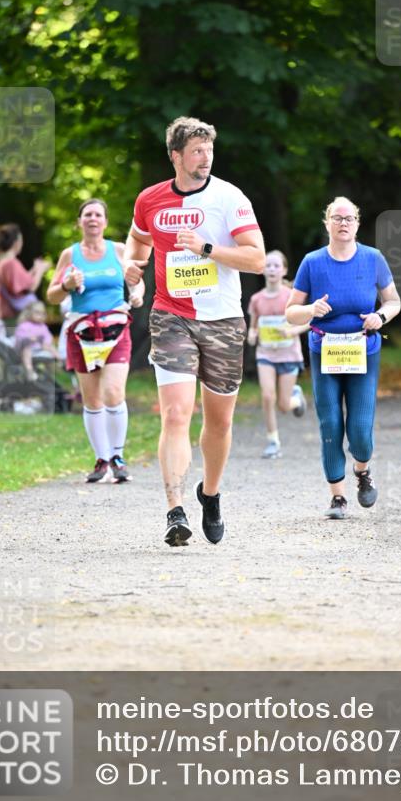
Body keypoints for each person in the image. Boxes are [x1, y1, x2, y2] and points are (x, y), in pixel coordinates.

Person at [124, 116, 265, 546]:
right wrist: (132, 266)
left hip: (223, 320)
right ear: (176, 156)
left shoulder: (229, 197)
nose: (205, 158)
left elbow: (256, 258)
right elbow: (138, 240)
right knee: (175, 414)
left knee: (219, 422)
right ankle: (175, 510)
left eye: (209, 150)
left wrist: (207, 248)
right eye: (197, 151)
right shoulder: (150, 199)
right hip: (171, 316)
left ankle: (211, 493)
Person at [285, 197, 400, 519]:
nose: (343, 223)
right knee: (330, 423)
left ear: (357, 224)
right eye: (337, 218)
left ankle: (362, 471)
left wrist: (380, 316)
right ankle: (338, 498)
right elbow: (291, 312)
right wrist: (311, 309)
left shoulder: (373, 258)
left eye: (349, 218)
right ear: (327, 223)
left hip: (363, 350)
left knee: (360, 427)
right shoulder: (312, 262)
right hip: (325, 350)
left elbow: (393, 301)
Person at [47, 198, 144, 483]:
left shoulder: (119, 250)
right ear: (79, 222)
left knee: (113, 392)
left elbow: (136, 280)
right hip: (82, 333)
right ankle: (101, 460)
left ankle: (117, 457)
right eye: (87, 214)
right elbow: (52, 296)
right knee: (91, 399)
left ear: (105, 221)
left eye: (98, 214)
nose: (92, 218)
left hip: (116, 330)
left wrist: (137, 294)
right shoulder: (70, 255)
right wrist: (66, 285)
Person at [247, 250, 308, 458]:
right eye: (268, 265)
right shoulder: (256, 299)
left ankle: (296, 399)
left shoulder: (291, 296)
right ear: (262, 269)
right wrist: (252, 334)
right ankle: (273, 441)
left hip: (289, 354)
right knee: (267, 396)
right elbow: (254, 325)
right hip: (265, 353)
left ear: (284, 271)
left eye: (276, 266)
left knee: (283, 405)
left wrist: (292, 331)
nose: (272, 269)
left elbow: (309, 321)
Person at [0, 223, 50, 323]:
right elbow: (29, 288)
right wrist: (40, 270)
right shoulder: (11, 263)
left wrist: (34, 269)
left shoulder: (0, 263)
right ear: (16, 242)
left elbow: (21, 280)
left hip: (3, 315)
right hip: (15, 319)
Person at [14, 300, 59, 382]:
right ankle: (29, 371)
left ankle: (59, 360)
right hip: (27, 347)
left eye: (43, 313)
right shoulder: (24, 325)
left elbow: (48, 336)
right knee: (26, 350)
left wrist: (46, 342)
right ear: (30, 313)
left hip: (39, 347)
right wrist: (29, 338)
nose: (40, 316)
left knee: (51, 346)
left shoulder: (43, 326)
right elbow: (19, 336)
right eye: (37, 313)